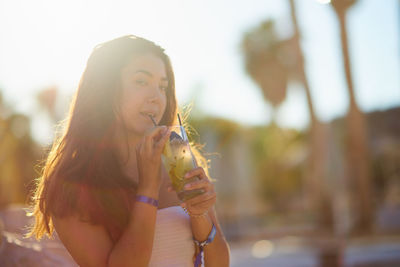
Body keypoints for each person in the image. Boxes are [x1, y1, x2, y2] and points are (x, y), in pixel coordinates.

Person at [28, 35, 230, 267]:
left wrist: (199, 213)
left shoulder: (180, 160)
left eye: (162, 86)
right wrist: (147, 189)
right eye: (141, 82)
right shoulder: (71, 186)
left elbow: (220, 263)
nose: (156, 98)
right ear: (105, 89)